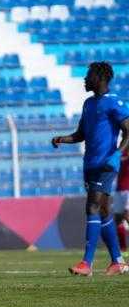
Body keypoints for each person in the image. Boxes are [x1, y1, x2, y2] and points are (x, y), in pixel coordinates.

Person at [52, 61, 129, 276]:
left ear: (100, 77)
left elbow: (128, 131)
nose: (85, 79)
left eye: (89, 75)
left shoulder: (115, 103)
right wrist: (61, 139)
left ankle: (87, 263)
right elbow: (81, 134)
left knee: (92, 207)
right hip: (90, 164)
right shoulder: (88, 104)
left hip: (106, 164)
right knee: (103, 212)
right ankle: (118, 261)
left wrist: (116, 154)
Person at [113, 148, 129, 258]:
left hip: (128, 190)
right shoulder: (121, 153)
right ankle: (123, 249)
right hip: (119, 190)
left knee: (127, 216)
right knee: (118, 220)